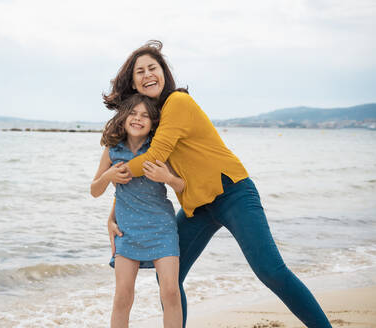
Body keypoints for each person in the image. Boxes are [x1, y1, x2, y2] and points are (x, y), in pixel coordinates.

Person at [103, 40, 332, 328]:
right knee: (169, 278)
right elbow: (139, 183)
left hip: (232, 193)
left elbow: (153, 159)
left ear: (164, 73)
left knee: (271, 271)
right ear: (134, 83)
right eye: (140, 71)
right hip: (198, 206)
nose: (148, 74)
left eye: (153, 68)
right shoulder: (152, 120)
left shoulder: (178, 102)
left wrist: (110, 172)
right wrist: (112, 214)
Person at [91, 93, 186, 328]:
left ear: (153, 123)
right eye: (133, 113)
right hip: (126, 232)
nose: (138, 119)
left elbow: (183, 185)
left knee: (171, 292)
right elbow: (94, 190)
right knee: (123, 296)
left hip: (162, 228)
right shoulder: (113, 150)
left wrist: (168, 178)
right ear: (123, 118)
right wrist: (108, 176)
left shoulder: (159, 149)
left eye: (145, 115)